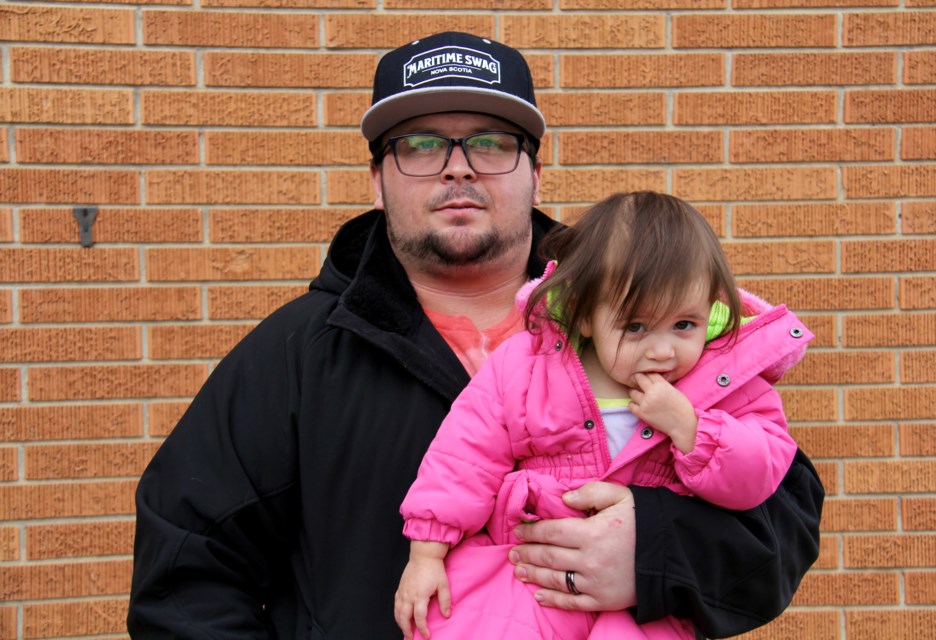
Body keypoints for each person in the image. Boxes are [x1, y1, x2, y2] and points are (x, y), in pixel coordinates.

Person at [127, 32, 824, 639]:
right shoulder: (294, 358)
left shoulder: (682, 341)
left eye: (490, 142)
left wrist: (656, 553)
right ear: (377, 180)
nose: (458, 166)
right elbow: (184, 577)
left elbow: (784, 536)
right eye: (419, 145)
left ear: (535, 172)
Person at [394, 191, 813, 640]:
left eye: (684, 325)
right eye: (635, 327)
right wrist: (427, 553)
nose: (662, 350)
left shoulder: (725, 384)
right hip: (529, 568)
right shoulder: (529, 364)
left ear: (711, 309)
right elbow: (465, 454)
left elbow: (761, 474)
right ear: (586, 313)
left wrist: (692, 428)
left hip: (642, 603)